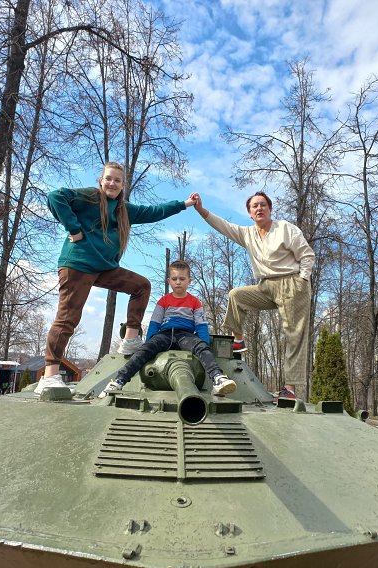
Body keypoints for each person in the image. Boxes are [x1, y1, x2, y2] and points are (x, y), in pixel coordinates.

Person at [34, 162, 196, 394]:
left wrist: (184, 204)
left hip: (104, 267)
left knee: (141, 286)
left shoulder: (124, 210)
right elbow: (55, 196)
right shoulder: (90, 197)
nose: (112, 183)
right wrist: (74, 229)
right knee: (68, 317)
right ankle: (49, 375)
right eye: (108, 178)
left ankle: (129, 340)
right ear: (101, 180)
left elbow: (154, 211)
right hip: (78, 264)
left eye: (117, 180)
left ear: (123, 185)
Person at [192, 191, 315, 400]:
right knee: (237, 296)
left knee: (293, 335)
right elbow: (224, 226)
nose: (259, 208)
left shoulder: (285, 229)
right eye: (254, 206)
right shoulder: (247, 234)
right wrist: (200, 210)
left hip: (291, 283)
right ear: (249, 213)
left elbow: (307, 255)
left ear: (270, 209)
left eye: (263, 205)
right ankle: (238, 340)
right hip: (266, 285)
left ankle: (290, 389)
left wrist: (302, 280)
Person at [100, 260, 237, 397]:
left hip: (186, 335)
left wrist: (204, 342)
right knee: (144, 351)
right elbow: (155, 322)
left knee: (202, 348)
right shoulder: (164, 301)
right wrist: (150, 341)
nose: (178, 282)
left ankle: (218, 378)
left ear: (189, 281)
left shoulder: (195, 302)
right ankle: (119, 380)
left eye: (182, 279)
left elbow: (201, 324)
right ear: (169, 281)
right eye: (174, 279)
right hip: (165, 334)